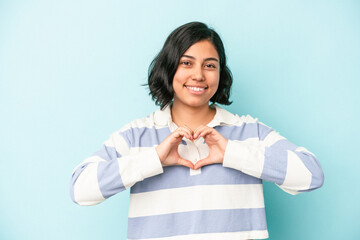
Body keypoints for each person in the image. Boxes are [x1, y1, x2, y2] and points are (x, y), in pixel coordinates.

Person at [70, 21, 324, 240]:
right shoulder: (136, 136)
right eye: (186, 63)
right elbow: (81, 189)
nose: (198, 75)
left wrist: (233, 153)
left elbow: (311, 175)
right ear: (169, 68)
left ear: (220, 73)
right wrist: (154, 158)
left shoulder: (249, 131)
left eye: (210, 65)